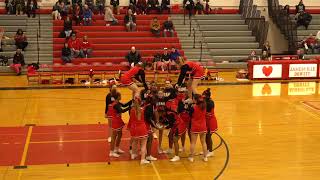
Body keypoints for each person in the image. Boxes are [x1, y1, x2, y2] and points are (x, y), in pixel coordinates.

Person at [108, 92, 132, 157]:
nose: (121, 96)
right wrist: (130, 107)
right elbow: (122, 110)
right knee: (114, 137)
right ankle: (111, 152)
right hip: (115, 122)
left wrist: (131, 101)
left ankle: (116, 148)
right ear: (118, 97)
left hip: (118, 120)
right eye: (120, 95)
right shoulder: (115, 104)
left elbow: (124, 105)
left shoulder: (118, 103)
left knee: (120, 134)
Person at [129, 97, 150, 164]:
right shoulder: (142, 110)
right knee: (143, 144)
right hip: (141, 128)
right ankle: (142, 160)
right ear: (140, 103)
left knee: (135, 141)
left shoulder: (131, 110)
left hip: (134, 128)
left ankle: (133, 154)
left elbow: (131, 120)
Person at [189, 94, 208, 162]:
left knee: (193, 143)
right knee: (203, 142)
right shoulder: (204, 106)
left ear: (195, 100)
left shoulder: (193, 107)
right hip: (203, 126)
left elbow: (190, 116)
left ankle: (191, 157)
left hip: (195, 126)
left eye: (193, 98)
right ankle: (205, 157)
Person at [203, 88, 217, 158]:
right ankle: (207, 149)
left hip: (211, 122)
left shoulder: (210, 103)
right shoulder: (206, 101)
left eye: (204, 95)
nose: (203, 96)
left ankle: (211, 151)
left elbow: (204, 109)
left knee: (208, 136)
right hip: (207, 121)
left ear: (207, 96)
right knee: (206, 136)